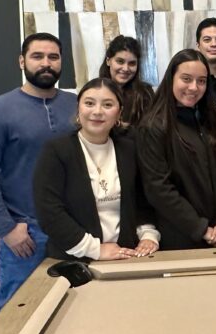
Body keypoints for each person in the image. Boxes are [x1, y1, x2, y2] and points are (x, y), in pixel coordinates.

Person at [0, 33, 76, 316]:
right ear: (21, 61)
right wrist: (6, 229)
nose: (46, 64)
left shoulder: (76, 106)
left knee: (72, 314)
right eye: (37, 56)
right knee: (14, 316)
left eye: (53, 57)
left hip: (73, 231)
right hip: (26, 236)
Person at [33, 78, 160, 261]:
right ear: (79, 108)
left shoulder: (130, 149)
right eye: (89, 103)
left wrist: (148, 235)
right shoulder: (56, 151)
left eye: (108, 105)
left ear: (119, 113)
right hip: (73, 260)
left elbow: (142, 201)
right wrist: (95, 249)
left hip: (127, 256)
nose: (98, 111)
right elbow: (49, 213)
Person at [137, 49, 216, 249]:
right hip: (181, 238)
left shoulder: (215, 120)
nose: (194, 87)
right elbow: (158, 189)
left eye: (201, 81)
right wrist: (201, 228)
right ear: (171, 79)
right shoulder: (153, 126)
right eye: (186, 79)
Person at [98, 35, 154, 126]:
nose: (126, 68)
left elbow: (150, 130)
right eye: (120, 61)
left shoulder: (145, 93)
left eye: (132, 63)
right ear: (108, 61)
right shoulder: (95, 90)